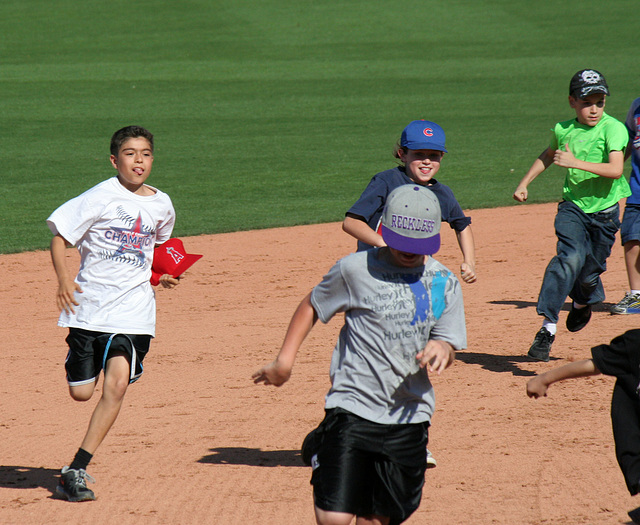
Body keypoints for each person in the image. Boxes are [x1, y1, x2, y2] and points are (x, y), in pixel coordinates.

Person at [253, 184, 466, 525]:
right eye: (402, 243)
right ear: (384, 230)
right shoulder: (355, 269)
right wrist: (284, 362)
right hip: (353, 404)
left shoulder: (443, 281)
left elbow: (448, 339)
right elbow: (312, 304)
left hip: (408, 414)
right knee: (334, 518)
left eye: (419, 246)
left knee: (377, 519)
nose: (410, 253)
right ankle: (328, 442)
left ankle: (326, 444)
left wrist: (444, 347)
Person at [47, 125, 179, 502]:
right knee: (82, 393)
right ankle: (78, 358)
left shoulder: (162, 203)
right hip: (90, 309)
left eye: (146, 153)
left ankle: (77, 468)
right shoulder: (99, 197)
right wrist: (63, 280)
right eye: (130, 153)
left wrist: (162, 275)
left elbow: (159, 248)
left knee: (117, 385)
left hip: (135, 309)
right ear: (114, 159)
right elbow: (60, 237)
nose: (139, 160)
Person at [513, 69, 630, 362]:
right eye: (586, 101)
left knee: (589, 275)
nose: (594, 108)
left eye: (599, 102)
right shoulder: (563, 129)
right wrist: (525, 182)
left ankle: (581, 302)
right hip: (573, 208)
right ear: (572, 102)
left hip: (605, 215)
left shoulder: (613, 128)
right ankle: (547, 328)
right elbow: (548, 154)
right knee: (569, 258)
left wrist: (576, 162)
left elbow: (616, 169)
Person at [343, 119, 476, 285]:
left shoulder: (442, 194)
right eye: (419, 154)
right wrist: (387, 245)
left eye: (433, 155)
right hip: (374, 270)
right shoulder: (386, 181)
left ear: (442, 157)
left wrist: (469, 262)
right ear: (403, 155)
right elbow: (351, 222)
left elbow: (461, 225)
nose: (426, 161)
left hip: (415, 274)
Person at [526, 330, 640, 524]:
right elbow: (595, 365)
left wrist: (544, 378)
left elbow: (593, 366)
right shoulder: (635, 345)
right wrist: (545, 379)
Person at [611, 97, 640, 314]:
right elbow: (629, 138)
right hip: (637, 188)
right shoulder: (636, 106)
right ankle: (636, 295)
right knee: (631, 237)